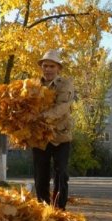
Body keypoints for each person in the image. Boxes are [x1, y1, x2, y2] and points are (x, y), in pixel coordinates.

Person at [32, 49, 74, 211]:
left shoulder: (66, 85)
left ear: (58, 68)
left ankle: (59, 209)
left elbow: (62, 108)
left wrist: (39, 117)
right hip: (40, 137)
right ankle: (43, 208)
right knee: (40, 175)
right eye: (45, 65)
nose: (48, 69)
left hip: (61, 137)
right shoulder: (34, 86)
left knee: (61, 173)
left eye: (51, 66)